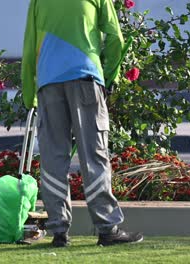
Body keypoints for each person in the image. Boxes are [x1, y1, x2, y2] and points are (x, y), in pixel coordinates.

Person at [21, 0, 143, 247]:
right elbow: (115, 38)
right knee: (94, 155)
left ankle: (59, 232)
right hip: (86, 79)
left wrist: (29, 94)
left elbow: (29, 45)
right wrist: (110, 76)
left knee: (53, 158)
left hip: (48, 84)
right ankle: (107, 229)